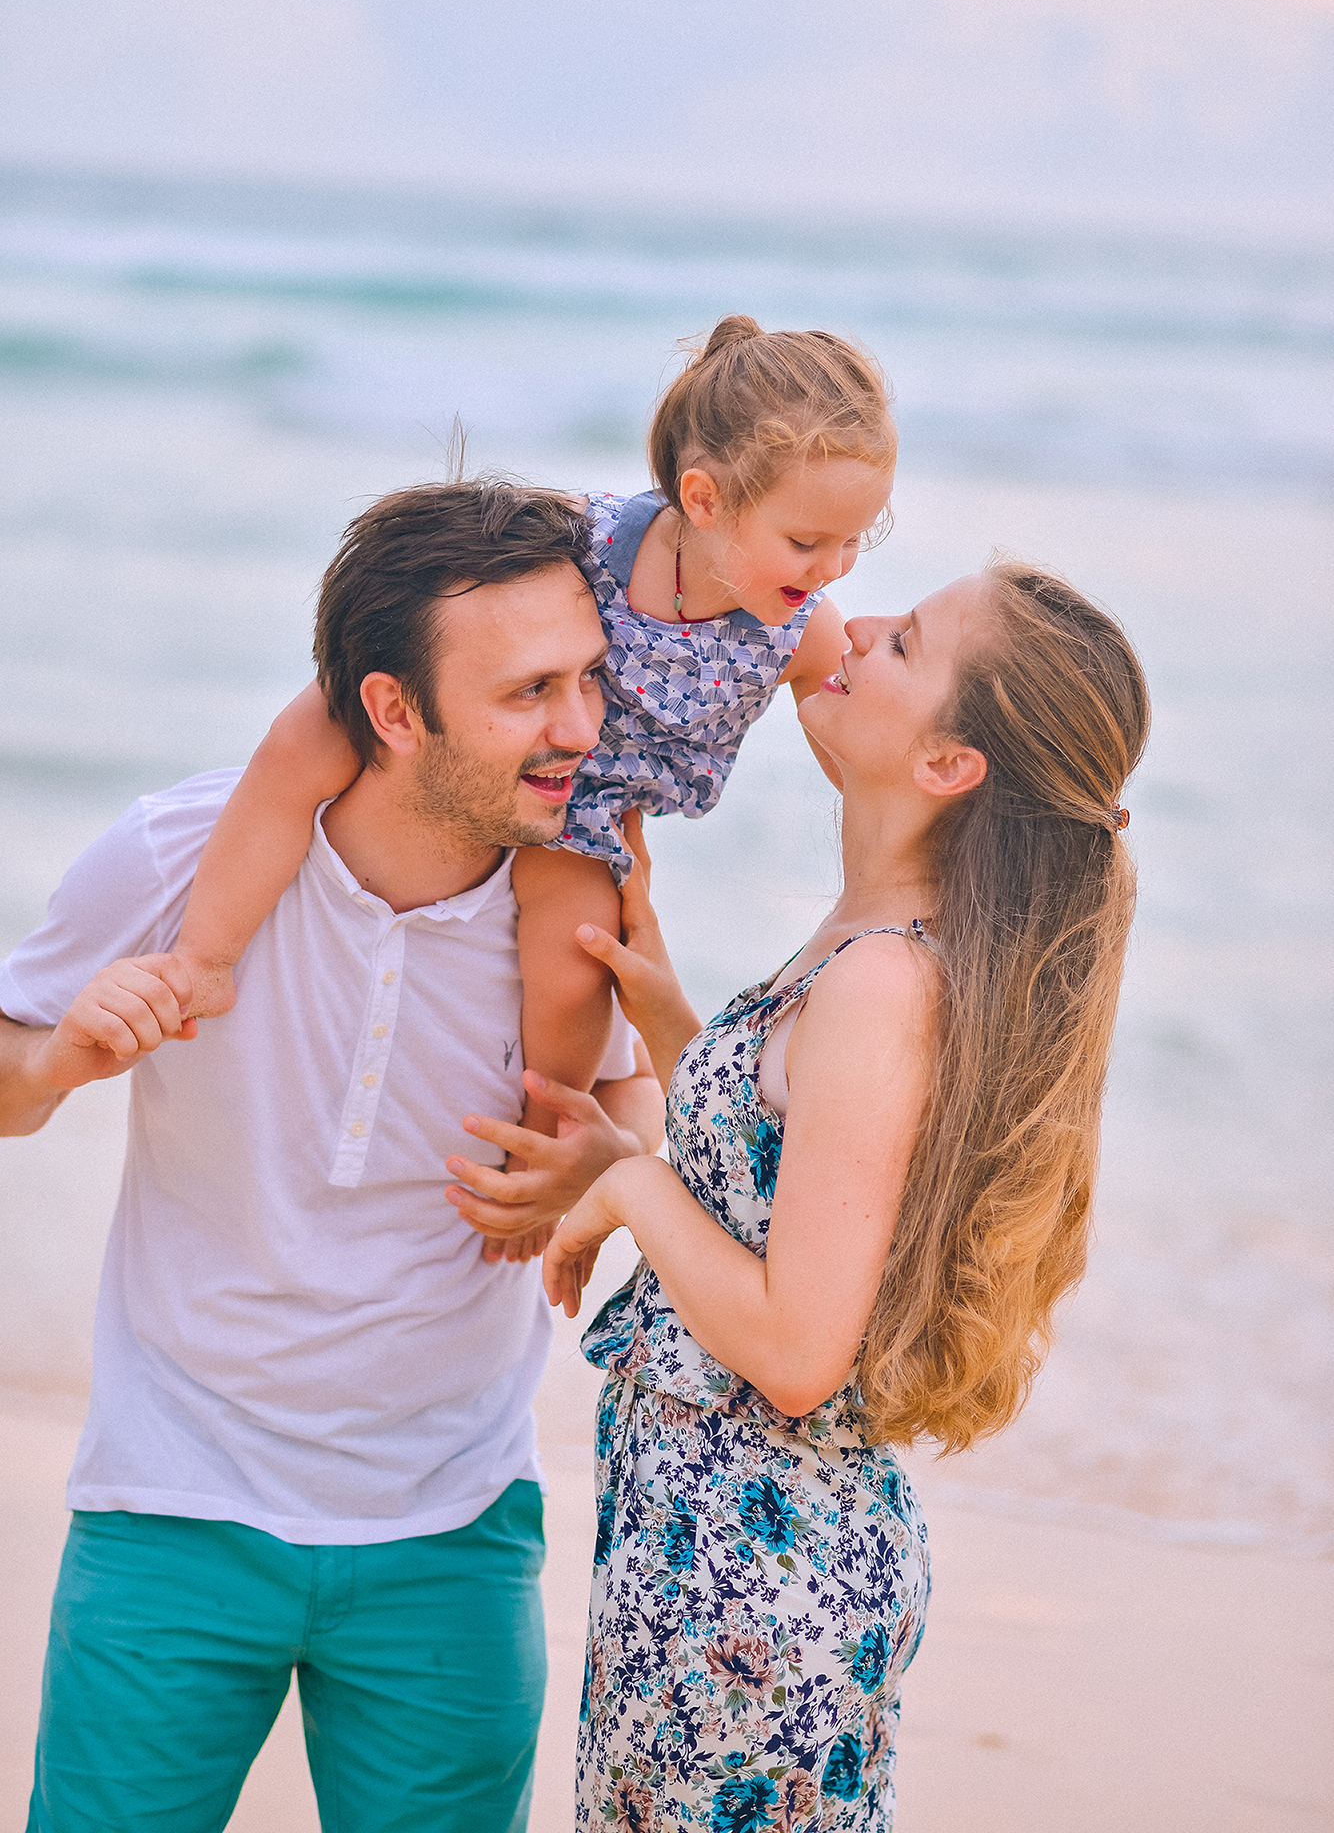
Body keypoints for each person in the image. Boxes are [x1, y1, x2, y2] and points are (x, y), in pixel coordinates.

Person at [0, 477, 664, 1833]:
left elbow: (631, 1108)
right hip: (171, 1504)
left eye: (591, 680)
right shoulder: (179, 855)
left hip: (453, 1526)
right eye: (530, 692)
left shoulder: (578, 903)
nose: (580, 731)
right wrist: (64, 1057)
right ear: (393, 710)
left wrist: (596, 1172)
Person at [450, 562, 1150, 1829]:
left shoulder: (885, 979)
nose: (857, 623)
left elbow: (794, 1348)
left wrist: (623, 1180)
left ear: (947, 765)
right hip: (723, 1556)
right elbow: (783, 1179)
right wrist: (669, 1015)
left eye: (906, 643)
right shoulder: (872, 935)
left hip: (756, 1584)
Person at [170, 317, 897, 1218]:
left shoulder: (801, 626)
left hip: (592, 804)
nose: (831, 569)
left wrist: (905, 855)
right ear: (704, 500)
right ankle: (205, 954)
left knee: (575, 959)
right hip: (524, 736)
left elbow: (858, 756)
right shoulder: (589, 541)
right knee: (313, 730)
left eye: (855, 541)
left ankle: (543, 1145)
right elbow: (479, 605)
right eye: (806, 542)